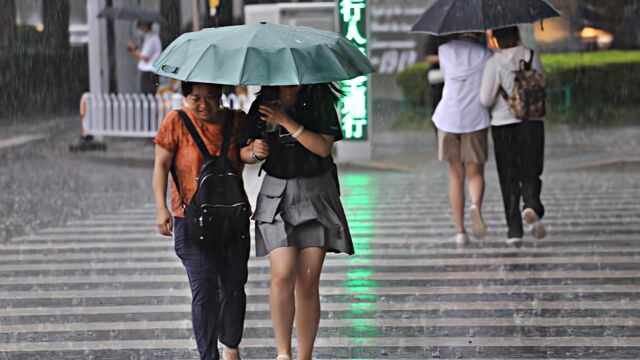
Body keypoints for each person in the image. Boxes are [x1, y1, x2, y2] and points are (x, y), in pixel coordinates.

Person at [152, 81, 269, 360]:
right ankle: (208, 355)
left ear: (221, 96)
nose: (203, 105)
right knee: (204, 289)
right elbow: (161, 165)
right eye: (195, 98)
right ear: (186, 97)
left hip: (231, 220)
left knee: (233, 286)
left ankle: (230, 344)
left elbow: (242, 155)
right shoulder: (176, 121)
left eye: (211, 97)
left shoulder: (236, 120)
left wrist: (254, 151)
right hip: (190, 221)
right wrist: (161, 208)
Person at [242, 84, 354, 360]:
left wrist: (286, 121)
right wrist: (255, 152)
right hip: (276, 193)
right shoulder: (263, 104)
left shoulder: (319, 101)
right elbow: (243, 152)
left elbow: (323, 148)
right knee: (282, 273)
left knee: (307, 281)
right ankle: (283, 353)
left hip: (316, 194)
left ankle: (305, 355)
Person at [479, 26, 546, 246]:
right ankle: (531, 204)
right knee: (531, 169)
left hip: (503, 126)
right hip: (532, 124)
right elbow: (540, 83)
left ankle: (514, 230)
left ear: (496, 39)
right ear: (517, 33)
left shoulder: (494, 62)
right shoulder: (532, 55)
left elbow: (485, 99)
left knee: (508, 177)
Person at [432, 33, 492, 247]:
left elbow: (446, 76)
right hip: (475, 118)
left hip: (448, 118)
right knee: (475, 173)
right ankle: (475, 205)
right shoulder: (486, 54)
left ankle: (460, 231)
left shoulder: (445, 50)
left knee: (455, 175)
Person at [127, 20, 162, 94]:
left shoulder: (152, 38)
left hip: (149, 73)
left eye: (140, 24)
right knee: (146, 95)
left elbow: (145, 57)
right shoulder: (148, 37)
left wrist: (133, 49)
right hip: (148, 72)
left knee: (148, 95)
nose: (137, 26)